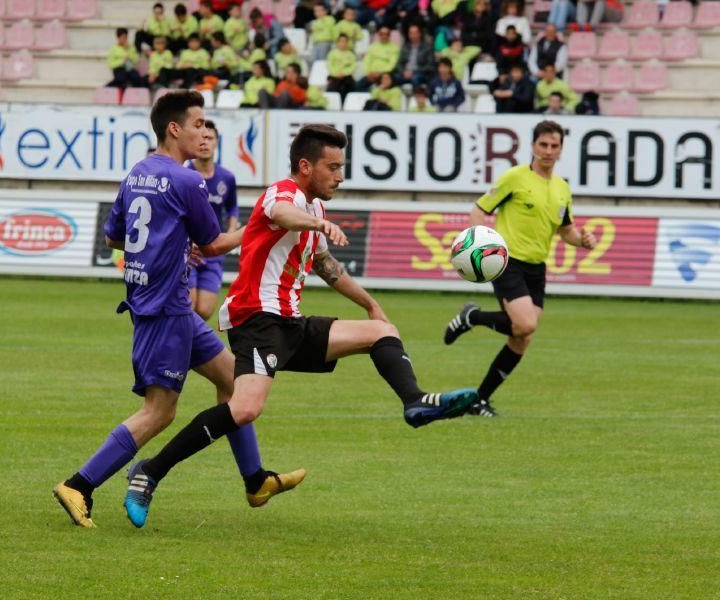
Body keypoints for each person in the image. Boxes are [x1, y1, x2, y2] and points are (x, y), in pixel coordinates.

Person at [121, 124, 478, 527]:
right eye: (333, 167)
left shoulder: (316, 208)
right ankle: (149, 471)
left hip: (289, 323)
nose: (340, 176)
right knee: (244, 408)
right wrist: (318, 225)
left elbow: (328, 268)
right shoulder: (283, 193)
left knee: (382, 332)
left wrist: (371, 305)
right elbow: (281, 214)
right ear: (305, 166)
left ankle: (415, 403)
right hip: (256, 319)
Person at [52, 91, 304, 528]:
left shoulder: (137, 173)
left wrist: (165, 246)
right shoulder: (188, 181)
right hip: (165, 310)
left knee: (232, 380)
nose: (204, 131)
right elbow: (213, 245)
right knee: (160, 411)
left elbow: (114, 236)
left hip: (165, 306)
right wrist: (263, 222)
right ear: (175, 129)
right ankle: (80, 484)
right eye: (198, 123)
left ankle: (255, 480)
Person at [442, 121, 596, 417]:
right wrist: (481, 242)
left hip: (537, 268)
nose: (548, 151)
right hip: (508, 261)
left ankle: (479, 399)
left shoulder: (562, 188)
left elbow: (567, 231)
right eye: (543, 145)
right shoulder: (514, 178)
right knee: (526, 324)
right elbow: (479, 209)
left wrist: (583, 240)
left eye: (554, 146)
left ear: (561, 149)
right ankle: (472, 317)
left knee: (522, 337)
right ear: (533, 146)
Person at [186, 120, 238, 321]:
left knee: (205, 311)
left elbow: (232, 207)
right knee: (188, 306)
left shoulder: (227, 177)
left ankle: (190, 345)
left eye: (210, 138)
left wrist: (232, 229)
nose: (206, 142)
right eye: (202, 138)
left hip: (214, 250)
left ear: (216, 143)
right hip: (189, 249)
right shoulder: (185, 173)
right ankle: (183, 349)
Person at [356, 25, 400, 90]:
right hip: (371, 74)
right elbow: (367, 61)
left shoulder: (394, 48)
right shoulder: (372, 47)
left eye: (386, 34)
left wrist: (379, 73)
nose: (384, 36)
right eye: (382, 34)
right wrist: (368, 73)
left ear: (389, 35)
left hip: (386, 74)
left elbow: (392, 65)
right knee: (357, 86)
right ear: (379, 35)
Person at [396, 23, 435, 89]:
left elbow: (430, 66)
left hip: (420, 73)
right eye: (411, 33)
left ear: (420, 34)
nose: (413, 35)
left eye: (415, 33)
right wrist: (403, 72)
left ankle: (416, 97)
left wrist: (414, 71)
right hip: (406, 72)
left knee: (415, 78)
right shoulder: (405, 47)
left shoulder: (427, 48)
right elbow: (399, 64)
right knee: (395, 77)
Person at [326, 34, 357, 100]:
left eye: (345, 41)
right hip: (335, 76)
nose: (343, 43)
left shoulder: (351, 54)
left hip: (347, 77)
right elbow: (330, 65)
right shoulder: (332, 53)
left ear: (347, 43)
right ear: (337, 43)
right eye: (341, 41)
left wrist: (344, 73)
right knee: (333, 86)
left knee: (351, 86)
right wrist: (336, 74)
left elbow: (353, 67)